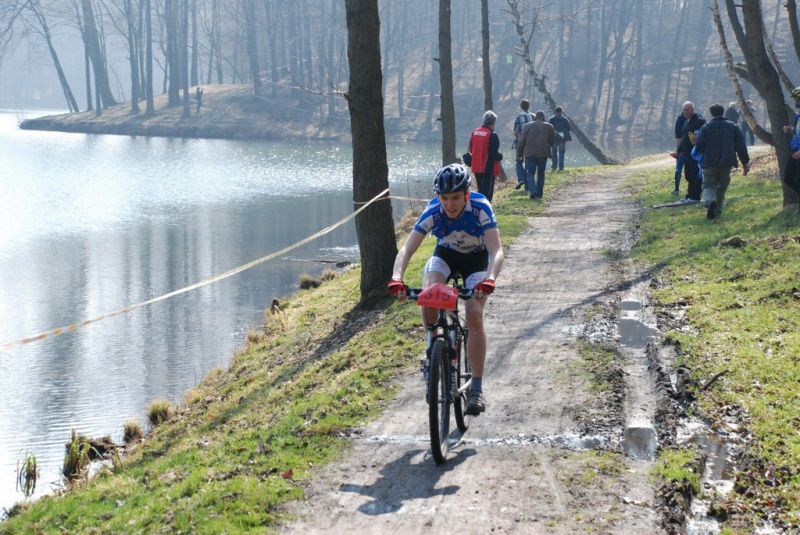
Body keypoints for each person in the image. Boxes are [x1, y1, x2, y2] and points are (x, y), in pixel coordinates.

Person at [388, 163, 504, 415]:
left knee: (473, 312)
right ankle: (433, 349)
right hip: (446, 255)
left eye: (455, 198)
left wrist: (490, 280)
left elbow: (496, 250)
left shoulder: (480, 207)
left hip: (476, 260)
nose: (449, 205)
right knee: (429, 294)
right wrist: (397, 278)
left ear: (466, 195)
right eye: (444, 198)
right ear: (437, 197)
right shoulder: (433, 211)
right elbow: (407, 249)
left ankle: (476, 388)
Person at [693, 103, 750, 220]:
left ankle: (710, 202)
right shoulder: (733, 126)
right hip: (726, 162)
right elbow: (741, 146)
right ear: (723, 112)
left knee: (708, 185)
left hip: (709, 162)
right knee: (722, 187)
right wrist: (745, 163)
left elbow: (698, 147)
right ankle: (717, 211)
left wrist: (695, 141)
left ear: (711, 113)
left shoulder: (706, 127)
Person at [516, 110, 555, 200]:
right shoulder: (549, 126)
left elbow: (522, 141)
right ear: (544, 117)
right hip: (543, 153)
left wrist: (519, 153)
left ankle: (532, 191)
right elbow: (553, 141)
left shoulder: (528, 126)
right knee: (541, 173)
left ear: (535, 117)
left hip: (530, 153)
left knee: (530, 173)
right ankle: (539, 194)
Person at [467, 110, 503, 202]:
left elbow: (470, 149)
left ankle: (479, 210)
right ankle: (486, 211)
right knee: (487, 194)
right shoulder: (492, 135)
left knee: (480, 191)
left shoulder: (475, 132)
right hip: (487, 168)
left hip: (476, 166)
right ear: (494, 122)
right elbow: (493, 154)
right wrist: (500, 156)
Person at [676, 101, 706, 203]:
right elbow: (684, 137)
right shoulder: (686, 121)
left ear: (693, 109)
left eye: (687, 110)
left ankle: (695, 196)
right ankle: (689, 195)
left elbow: (702, 137)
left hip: (696, 153)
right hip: (686, 153)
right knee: (688, 175)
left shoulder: (699, 121)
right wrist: (679, 150)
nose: (685, 112)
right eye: (684, 110)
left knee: (695, 175)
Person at [781, 87, 800, 211]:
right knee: (788, 177)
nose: (796, 101)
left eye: (797, 98)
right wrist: (791, 129)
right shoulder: (798, 116)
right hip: (796, 151)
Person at [512, 99, 534, 189]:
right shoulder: (533, 116)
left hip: (520, 143)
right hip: (531, 143)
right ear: (528, 106)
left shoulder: (518, 116)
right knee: (529, 162)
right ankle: (528, 184)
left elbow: (516, 133)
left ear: (521, 107)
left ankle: (521, 179)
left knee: (519, 161)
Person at [548, 106, 572, 171]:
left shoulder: (551, 119)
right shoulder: (565, 119)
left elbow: (548, 128)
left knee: (554, 152)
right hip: (562, 139)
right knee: (561, 153)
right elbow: (569, 128)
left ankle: (554, 167)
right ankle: (561, 168)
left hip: (554, 139)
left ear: (555, 111)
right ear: (561, 112)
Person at [669, 112, 687, 196]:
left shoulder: (680, 119)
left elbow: (678, 136)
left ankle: (676, 189)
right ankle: (676, 189)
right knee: (678, 169)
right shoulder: (681, 120)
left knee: (679, 168)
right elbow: (678, 135)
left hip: (688, 148)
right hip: (684, 148)